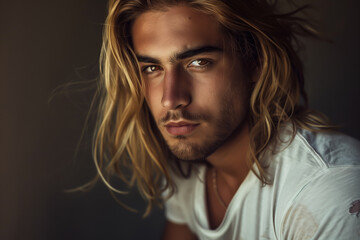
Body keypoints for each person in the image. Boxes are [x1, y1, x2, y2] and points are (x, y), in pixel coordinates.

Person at [92, 0, 360, 239]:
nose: (170, 99)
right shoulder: (188, 173)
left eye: (198, 62)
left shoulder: (326, 194)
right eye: (152, 68)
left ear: (255, 61)